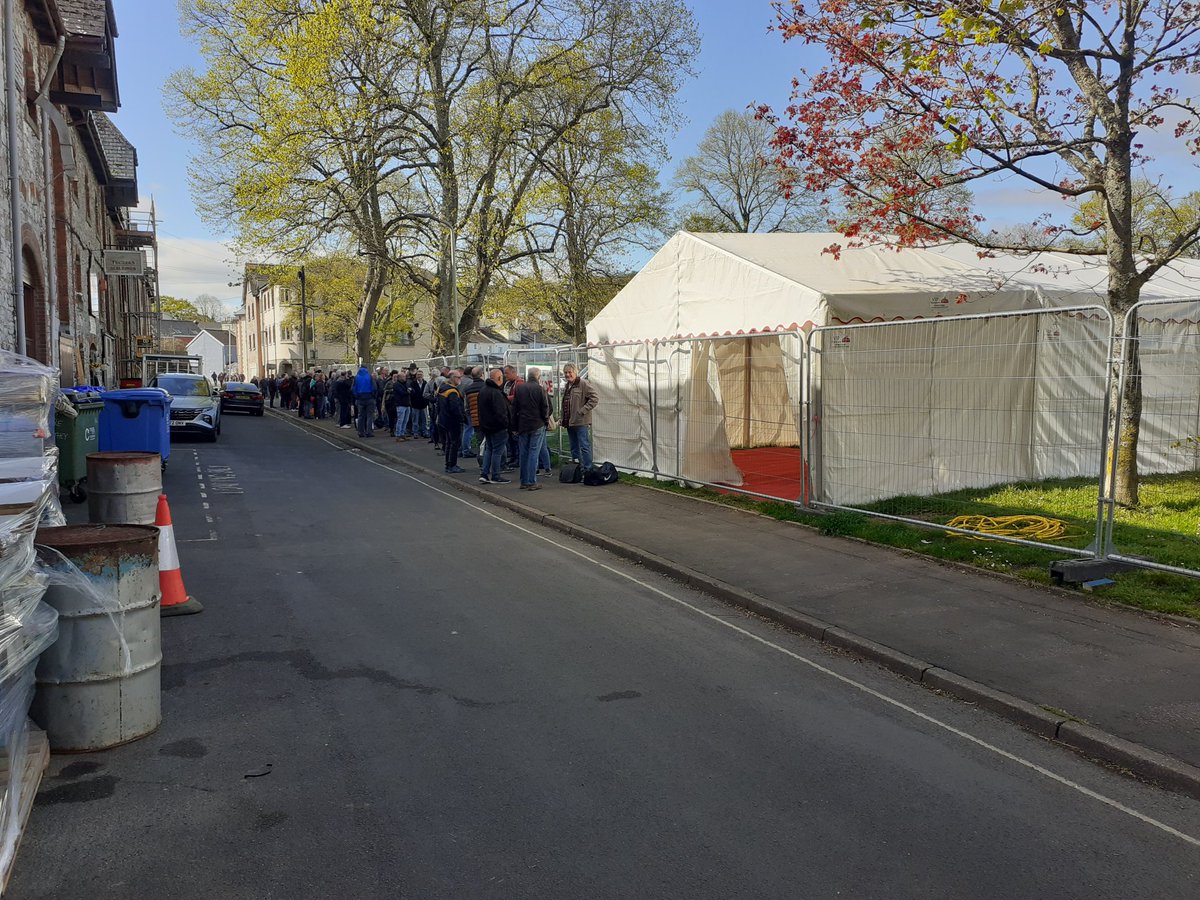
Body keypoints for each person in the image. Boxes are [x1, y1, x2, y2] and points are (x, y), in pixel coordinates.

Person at [512, 367, 550, 490]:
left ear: (527, 376)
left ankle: (524, 481)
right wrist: (545, 421)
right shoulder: (540, 389)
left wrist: (514, 426)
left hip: (523, 424)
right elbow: (545, 407)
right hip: (537, 423)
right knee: (534, 452)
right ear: (538, 377)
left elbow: (514, 408)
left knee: (523, 453)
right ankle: (531, 481)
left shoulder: (519, 388)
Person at [477, 368, 513, 485]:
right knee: (497, 451)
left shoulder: (483, 390)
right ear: (499, 378)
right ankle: (496, 475)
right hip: (498, 427)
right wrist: (507, 425)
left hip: (486, 426)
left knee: (489, 449)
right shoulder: (496, 393)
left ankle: (484, 474)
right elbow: (501, 412)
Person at [561, 362, 599, 470]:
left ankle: (588, 468)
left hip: (581, 422)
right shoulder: (567, 386)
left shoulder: (583, 384)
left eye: (570, 372)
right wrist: (562, 418)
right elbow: (565, 403)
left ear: (575, 372)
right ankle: (577, 468)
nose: (567, 374)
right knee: (574, 447)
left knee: (584, 446)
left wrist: (582, 410)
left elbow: (595, 398)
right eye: (565, 372)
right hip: (569, 421)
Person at [438, 369, 466, 472]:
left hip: (444, 419)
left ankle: (448, 464)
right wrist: (461, 418)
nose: (460, 379)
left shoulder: (442, 388)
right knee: (454, 443)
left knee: (449, 443)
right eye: (458, 377)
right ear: (453, 378)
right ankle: (452, 465)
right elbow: (455, 408)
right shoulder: (452, 392)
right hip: (453, 421)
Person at [353, 366, 376, 437]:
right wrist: (373, 396)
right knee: (370, 416)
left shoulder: (356, 377)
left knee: (360, 416)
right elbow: (374, 387)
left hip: (360, 398)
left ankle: (360, 432)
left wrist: (356, 396)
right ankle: (369, 432)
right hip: (369, 397)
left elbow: (353, 388)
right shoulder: (369, 376)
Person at [408, 366, 428, 437]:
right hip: (415, 405)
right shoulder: (412, 384)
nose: (419, 376)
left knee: (424, 420)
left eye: (420, 375)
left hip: (423, 405)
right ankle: (415, 433)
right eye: (418, 375)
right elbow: (411, 393)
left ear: (423, 376)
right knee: (415, 420)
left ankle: (424, 432)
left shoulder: (425, 383)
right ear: (416, 376)